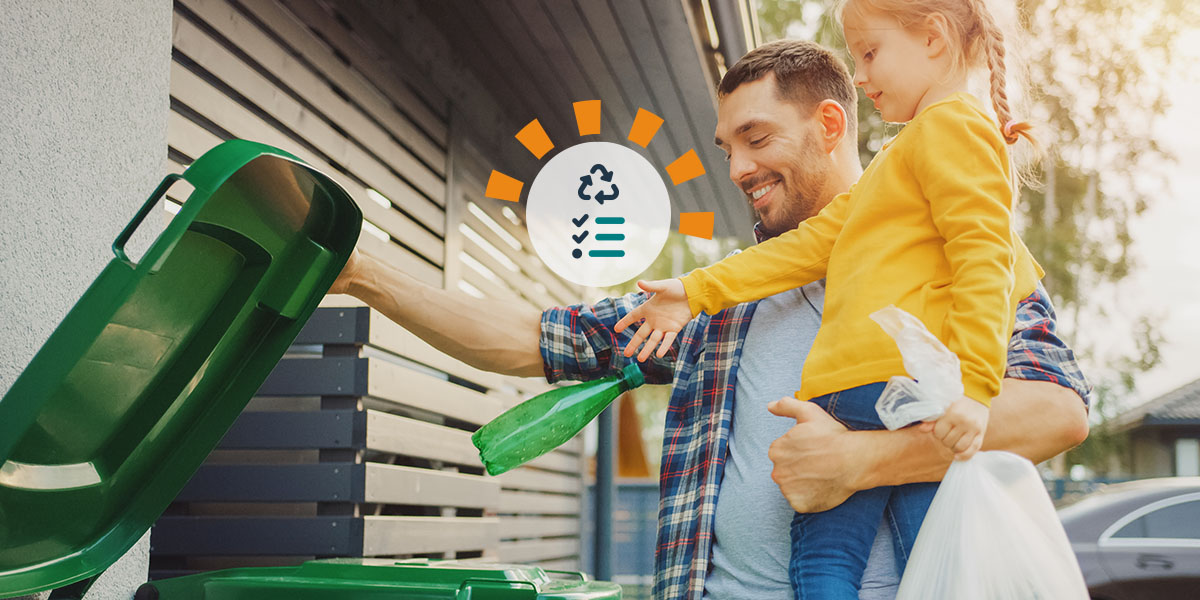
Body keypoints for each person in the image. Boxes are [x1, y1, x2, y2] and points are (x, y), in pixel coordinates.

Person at [329, 39, 1090, 600]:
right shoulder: (718, 297)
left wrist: (862, 461)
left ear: (831, 125)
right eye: (727, 148)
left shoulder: (959, 248)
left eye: (757, 139)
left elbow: (1054, 414)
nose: (737, 171)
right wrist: (362, 272)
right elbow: (533, 341)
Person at [613, 0, 1050, 596]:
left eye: (870, 54)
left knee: (854, 558)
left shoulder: (955, 128)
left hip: (895, 391)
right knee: (920, 556)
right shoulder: (901, 158)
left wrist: (974, 391)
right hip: (865, 391)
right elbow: (811, 244)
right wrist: (696, 291)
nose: (861, 76)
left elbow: (985, 261)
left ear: (934, 38)